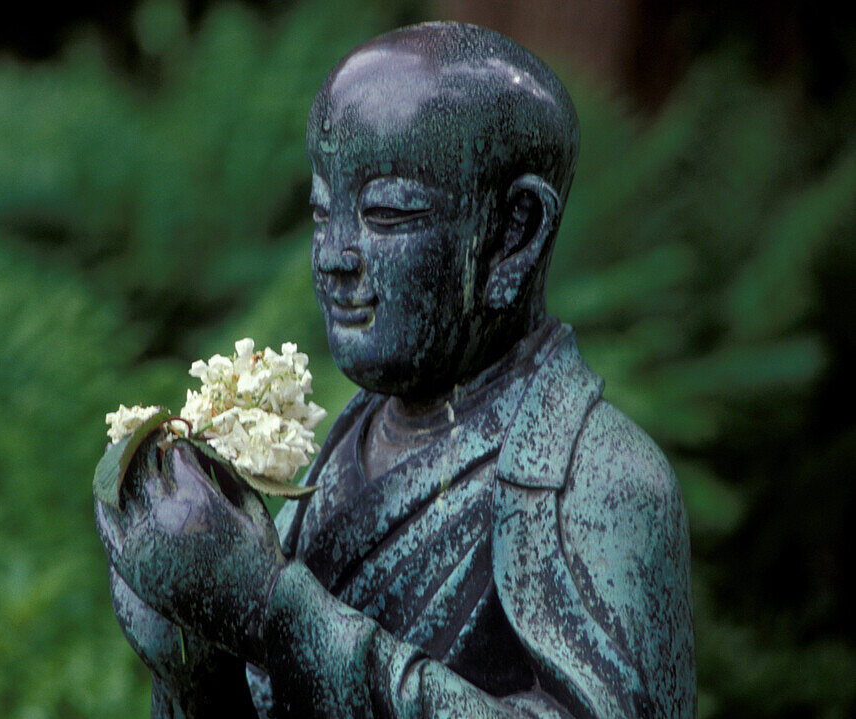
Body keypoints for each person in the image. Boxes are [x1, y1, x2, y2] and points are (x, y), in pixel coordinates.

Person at [96, 21, 696, 718]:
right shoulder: (341, 448)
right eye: (324, 215)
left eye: (386, 214)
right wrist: (195, 667)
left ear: (513, 234)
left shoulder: (602, 481)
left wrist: (276, 610)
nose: (333, 257)